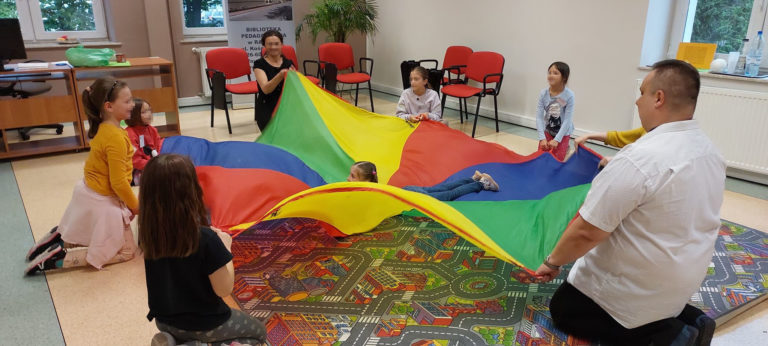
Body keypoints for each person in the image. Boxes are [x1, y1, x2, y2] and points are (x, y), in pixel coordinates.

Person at [534, 60, 725, 346]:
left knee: (564, 307)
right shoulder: (710, 152)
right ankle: (687, 318)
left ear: (658, 98)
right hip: (684, 282)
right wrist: (618, 167)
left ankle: (669, 336)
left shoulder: (639, 158)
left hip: (634, 295)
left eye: (643, 92)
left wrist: (551, 262)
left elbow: (588, 231)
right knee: (655, 298)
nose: (637, 101)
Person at [140, 154, 266, 346]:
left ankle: (176, 340)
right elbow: (224, 288)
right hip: (207, 324)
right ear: (191, 191)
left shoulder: (149, 235)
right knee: (258, 334)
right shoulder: (206, 239)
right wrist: (225, 247)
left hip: (165, 322)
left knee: (186, 331)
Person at [25, 78, 139, 275]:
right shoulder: (116, 138)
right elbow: (119, 182)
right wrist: (135, 206)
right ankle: (59, 260)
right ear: (109, 106)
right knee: (128, 251)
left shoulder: (104, 127)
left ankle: (60, 238)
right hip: (103, 200)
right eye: (127, 101)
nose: (133, 104)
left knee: (97, 235)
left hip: (89, 190)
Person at [347, 161, 499, 201]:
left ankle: (481, 183)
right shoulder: (372, 188)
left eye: (353, 176)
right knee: (442, 188)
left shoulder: (369, 193)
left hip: (413, 196)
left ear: (366, 180)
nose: (348, 179)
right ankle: (472, 178)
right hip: (408, 190)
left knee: (448, 195)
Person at [252, 30, 294, 131]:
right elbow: (266, 89)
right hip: (267, 107)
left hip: (286, 106)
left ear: (281, 45)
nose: (273, 47)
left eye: (276, 44)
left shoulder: (288, 63)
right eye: (269, 44)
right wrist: (280, 75)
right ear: (264, 46)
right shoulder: (259, 64)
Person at [536, 61, 575, 161]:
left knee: (556, 160)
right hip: (548, 130)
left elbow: (567, 120)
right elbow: (539, 117)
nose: (551, 75)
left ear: (564, 77)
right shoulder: (543, 93)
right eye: (549, 72)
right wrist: (542, 138)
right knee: (540, 158)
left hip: (563, 133)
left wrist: (557, 139)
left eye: (555, 73)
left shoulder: (569, 95)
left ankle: (565, 147)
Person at [125, 98, 163, 185]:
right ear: (133, 115)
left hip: (152, 165)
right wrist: (155, 166)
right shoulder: (130, 134)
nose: (149, 114)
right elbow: (135, 161)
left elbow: (158, 148)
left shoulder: (152, 130)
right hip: (136, 171)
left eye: (149, 110)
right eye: (143, 112)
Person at [574, 127, 646, 167]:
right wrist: (588, 136)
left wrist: (616, 160)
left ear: (657, 101)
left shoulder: (654, 136)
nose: (637, 102)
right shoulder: (646, 129)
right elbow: (618, 137)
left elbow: (644, 159)